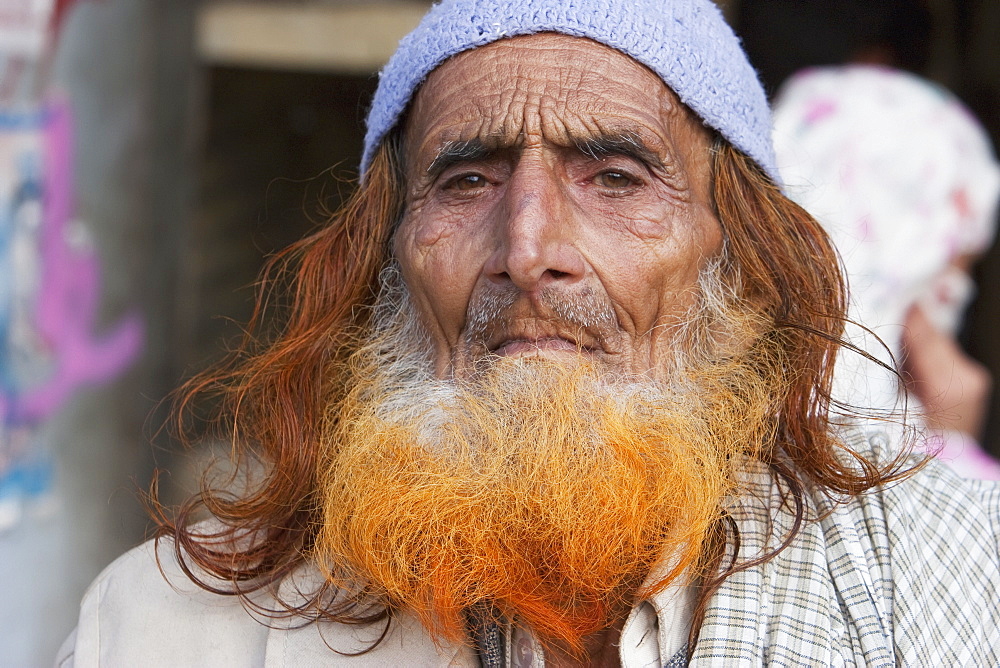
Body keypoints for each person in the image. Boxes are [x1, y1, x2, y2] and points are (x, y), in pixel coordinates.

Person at [57, 0, 1000, 665]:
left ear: (741, 262)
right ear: (385, 262)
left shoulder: (957, 568)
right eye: (466, 180)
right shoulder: (161, 628)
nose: (528, 247)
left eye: (617, 178)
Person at [772, 65, 1000, 480]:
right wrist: (954, 449)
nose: (958, 291)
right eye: (958, 263)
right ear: (914, 248)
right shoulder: (884, 461)